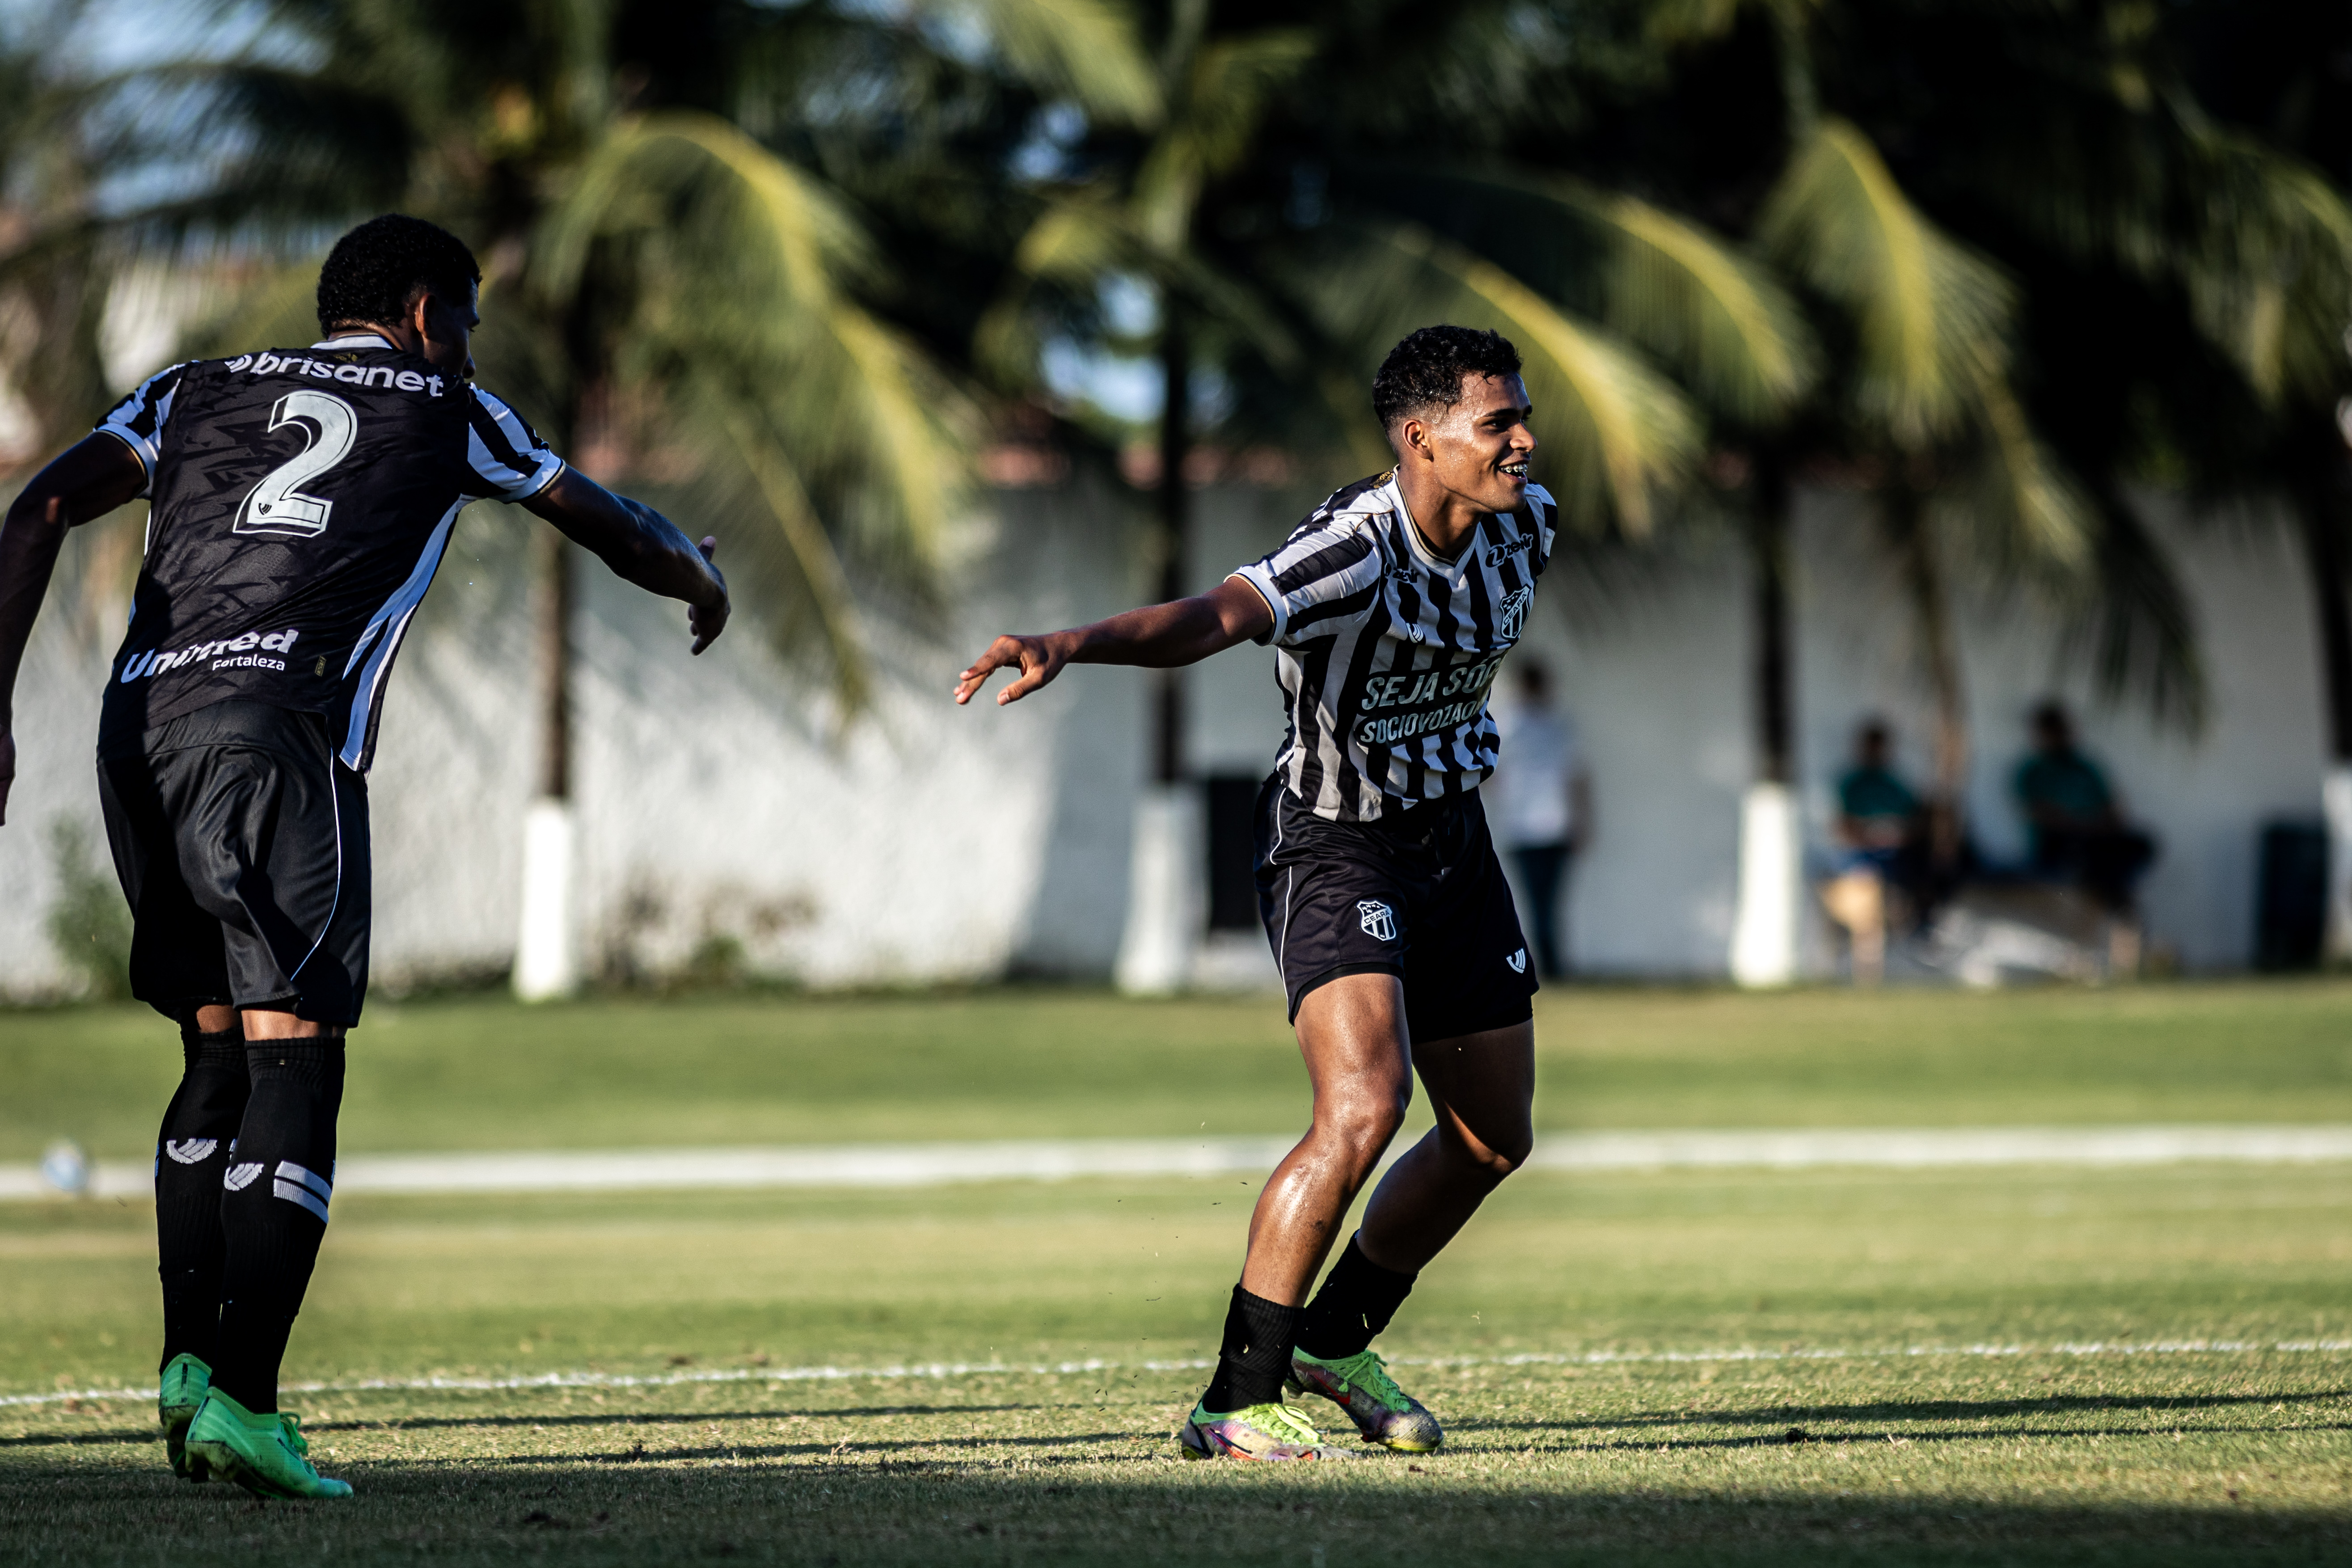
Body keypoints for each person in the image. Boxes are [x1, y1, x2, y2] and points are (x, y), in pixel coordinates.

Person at [0, 215, 729, 1499]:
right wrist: (695, 576)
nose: (469, 342)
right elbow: (608, 521)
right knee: (296, 1057)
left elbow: (43, 501)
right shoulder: (451, 405)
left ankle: (187, 1364)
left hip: (143, 729)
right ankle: (250, 1401)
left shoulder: (192, 388)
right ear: (424, 311)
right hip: (280, 733)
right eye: (469, 317)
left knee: (214, 1046)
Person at [956, 325, 1549, 1461]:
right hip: (1335, 845)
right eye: (1498, 422)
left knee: (1489, 1142)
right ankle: (1235, 1398)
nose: (1522, 441)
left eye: (1522, 417)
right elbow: (1214, 618)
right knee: (1364, 1108)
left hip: (1450, 847)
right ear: (1421, 440)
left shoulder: (1531, 527)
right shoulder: (1351, 548)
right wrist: (1068, 642)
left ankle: (1335, 1342)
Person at [1491, 661, 1589, 978]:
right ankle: (1546, 965)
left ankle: (1548, 964)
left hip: (1547, 825)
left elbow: (1575, 776)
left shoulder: (1549, 726)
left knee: (1545, 903)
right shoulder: (1511, 725)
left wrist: (1580, 821)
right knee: (1539, 903)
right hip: (1527, 827)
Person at [2013, 700, 2156, 915]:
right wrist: (2084, 825)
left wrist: (2101, 825)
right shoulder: (2033, 771)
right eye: (2054, 731)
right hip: (2059, 843)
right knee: (2092, 861)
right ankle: (2115, 906)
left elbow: (2114, 809)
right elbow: (2042, 815)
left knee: (2139, 845)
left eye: (2064, 729)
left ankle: (2116, 908)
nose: (2062, 736)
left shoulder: (2086, 768)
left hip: (2097, 839)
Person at [1820, 718, 1925, 984]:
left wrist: (1895, 836)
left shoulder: (1896, 784)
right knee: (1868, 903)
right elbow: (1842, 828)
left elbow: (1914, 825)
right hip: (1860, 862)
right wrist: (1873, 836)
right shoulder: (1851, 784)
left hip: (1898, 863)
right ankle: (1868, 973)